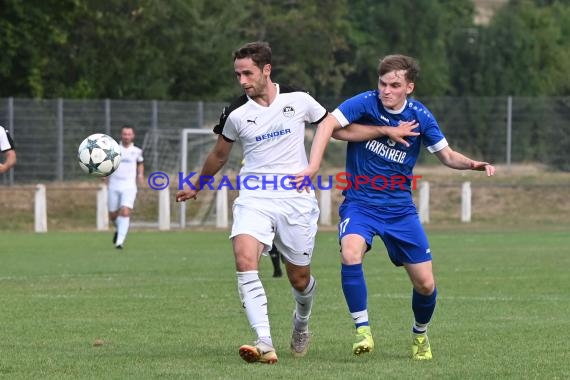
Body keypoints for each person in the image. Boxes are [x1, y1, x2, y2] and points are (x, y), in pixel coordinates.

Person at [176, 42, 417, 364]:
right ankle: (264, 341)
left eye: (248, 73)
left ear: (266, 70)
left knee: (299, 279)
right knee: (245, 259)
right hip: (254, 196)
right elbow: (220, 154)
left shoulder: (299, 100)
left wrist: (383, 130)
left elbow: (337, 131)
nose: (242, 80)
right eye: (238, 74)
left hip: (296, 200)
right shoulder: (235, 113)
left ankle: (301, 322)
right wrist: (197, 183)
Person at [298, 54, 496, 360]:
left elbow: (447, 156)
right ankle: (362, 330)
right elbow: (328, 126)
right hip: (360, 204)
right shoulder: (365, 103)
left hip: (400, 210)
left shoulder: (421, 117)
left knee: (426, 285)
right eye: (382, 83)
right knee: (350, 252)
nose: (385, 90)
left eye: (394, 85)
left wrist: (473, 164)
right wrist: (313, 166)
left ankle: (420, 335)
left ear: (409, 87)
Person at [106, 125, 144, 249]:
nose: (127, 136)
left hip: (129, 186)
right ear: (121, 135)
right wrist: (103, 174)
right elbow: (106, 164)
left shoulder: (137, 151)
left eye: (129, 134)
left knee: (125, 211)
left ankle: (119, 242)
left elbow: (140, 163)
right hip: (114, 185)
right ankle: (119, 229)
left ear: (133, 136)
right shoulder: (114, 150)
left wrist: (140, 175)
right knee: (113, 215)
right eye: (124, 134)